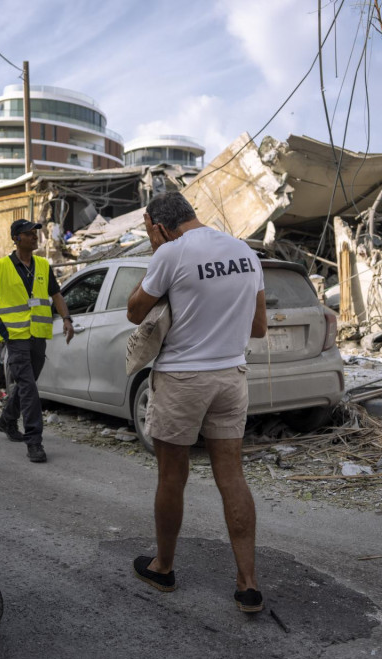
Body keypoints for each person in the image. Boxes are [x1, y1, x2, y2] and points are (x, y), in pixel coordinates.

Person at [126, 191, 268, 613]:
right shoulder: (244, 251)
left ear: (157, 225)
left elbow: (136, 312)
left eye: (149, 230)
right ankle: (248, 584)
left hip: (182, 378)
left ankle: (163, 567)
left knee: (172, 477)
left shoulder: (171, 252)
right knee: (232, 477)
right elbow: (258, 327)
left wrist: (159, 251)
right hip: (231, 376)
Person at [0, 219, 74, 463]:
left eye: (36, 234)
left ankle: (6, 420)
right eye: (29, 234)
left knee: (28, 383)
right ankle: (34, 441)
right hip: (14, 336)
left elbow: (56, 294)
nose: (35, 237)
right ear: (16, 238)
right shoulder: (3, 266)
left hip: (38, 334)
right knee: (28, 387)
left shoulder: (43, 265)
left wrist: (67, 319)